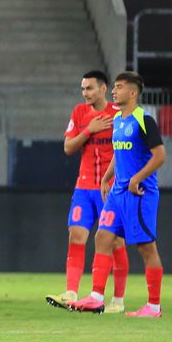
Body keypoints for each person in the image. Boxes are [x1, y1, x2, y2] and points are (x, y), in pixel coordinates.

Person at [70, 72, 167, 317]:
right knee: (102, 237)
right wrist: (106, 177)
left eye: (119, 87)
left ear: (132, 93)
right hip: (117, 192)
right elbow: (118, 152)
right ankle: (96, 297)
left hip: (140, 193)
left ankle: (154, 306)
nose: (114, 91)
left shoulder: (144, 120)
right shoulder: (118, 120)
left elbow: (160, 156)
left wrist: (137, 178)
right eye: (114, 87)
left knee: (146, 248)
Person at [46, 71, 125, 312]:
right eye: (83, 89)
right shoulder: (79, 113)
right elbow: (68, 147)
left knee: (115, 242)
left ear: (103, 89)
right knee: (76, 235)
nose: (85, 93)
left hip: (109, 188)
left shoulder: (118, 114)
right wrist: (89, 129)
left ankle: (117, 301)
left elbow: (126, 150)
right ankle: (71, 292)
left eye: (89, 88)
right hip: (84, 186)